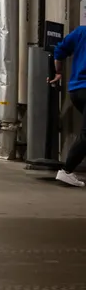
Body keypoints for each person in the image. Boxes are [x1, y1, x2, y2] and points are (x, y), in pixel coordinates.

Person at [50, 26, 86, 187]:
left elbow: (60, 50)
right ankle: (66, 171)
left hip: (76, 90)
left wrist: (58, 72)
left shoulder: (81, 32)